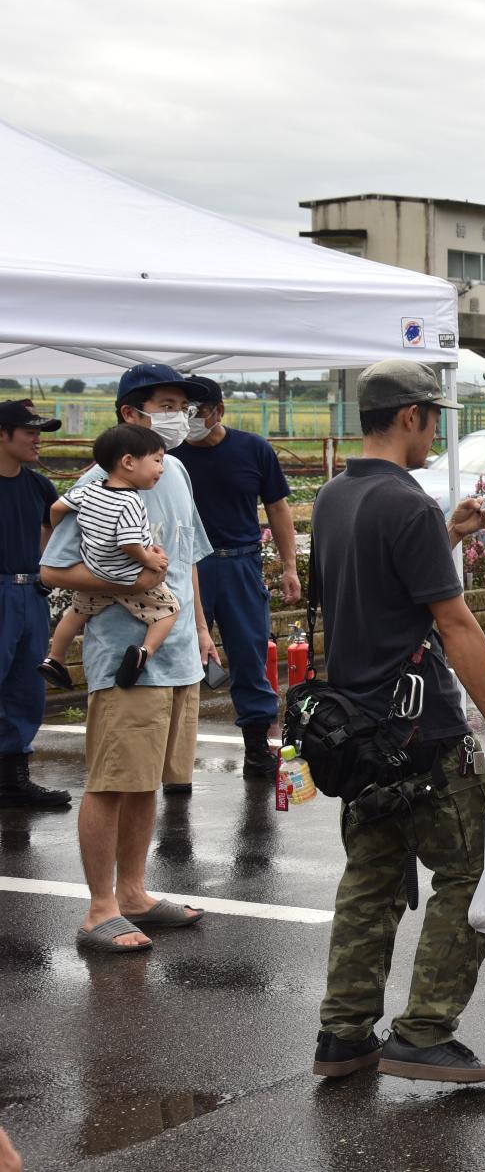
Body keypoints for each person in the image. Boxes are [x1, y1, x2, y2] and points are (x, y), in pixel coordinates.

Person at [309, 358, 485, 1086]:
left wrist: (450, 534)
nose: (437, 429)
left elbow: (381, 590)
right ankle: (425, 1029)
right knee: (469, 870)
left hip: (357, 730)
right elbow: (453, 620)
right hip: (423, 730)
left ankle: (343, 1034)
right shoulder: (405, 505)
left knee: (370, 879)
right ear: (409, 416)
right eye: (434, 416)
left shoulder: (334, 498)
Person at [43, 366, 215, 952]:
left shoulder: (176, 469)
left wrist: (200, 627)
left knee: (147, 783)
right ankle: (99, 910)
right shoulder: (98, 486)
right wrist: (134, 586)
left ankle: (136, 894)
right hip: (126, 659)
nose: (179, 416)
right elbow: (52, 570)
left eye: (183, 405)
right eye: (167, 404)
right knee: (112, 781)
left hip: (180, 656)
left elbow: (186, 555)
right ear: (130, 415)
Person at [173, 381, 298, 776]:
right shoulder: (168, 454)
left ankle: (257, 747)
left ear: (219, 411)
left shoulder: (253, 449)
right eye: (184, 411)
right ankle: (174, 760)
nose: (192, 419)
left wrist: (289, 565)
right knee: (180, 654)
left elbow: (277, 508)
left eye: (199, 410)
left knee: (250, 654)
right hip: (188, 564)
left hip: (240, 563)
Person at [40, 425, 180, 691]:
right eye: (157, 460)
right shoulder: (130, 500)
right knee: (168, 611)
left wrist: (60, 527)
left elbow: (56, 508)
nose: (161, 468)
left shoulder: (89, 490)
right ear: (128, 462)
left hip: (94, 572)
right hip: (127, 575)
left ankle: (55, 658)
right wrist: (149, 560)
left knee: (76, 613)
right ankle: (143, 653)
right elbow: (129, 543)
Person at [0, 399, 70, 810]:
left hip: (30, 592)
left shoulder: (38, 485)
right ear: (2, 434)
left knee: (25, 690)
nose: (37, 440)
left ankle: (11, 779)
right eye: (29, 431)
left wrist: (44, 572)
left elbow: (53, 529)